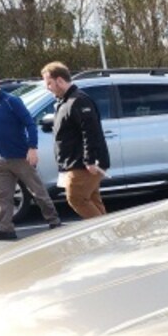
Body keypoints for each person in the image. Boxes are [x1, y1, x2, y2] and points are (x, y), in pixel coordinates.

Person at [0, 66, 61, 241]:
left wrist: (32, 148)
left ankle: (54, 222)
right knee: (1, 195)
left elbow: (30, 124)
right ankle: (5, 229)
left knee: (38, 192)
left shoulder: (11, 101)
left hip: (20, 157)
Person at [40, 61, 110, 218]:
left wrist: (90, 160)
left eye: (49, 83)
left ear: (59, 80)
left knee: (76, 198)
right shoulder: (65, 102)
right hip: (73, 163)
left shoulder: (78, 101)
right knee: (92, 199)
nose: (47, 88)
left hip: (82, 164)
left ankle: (102, 229)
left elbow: (90, 132)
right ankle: (109, 231)